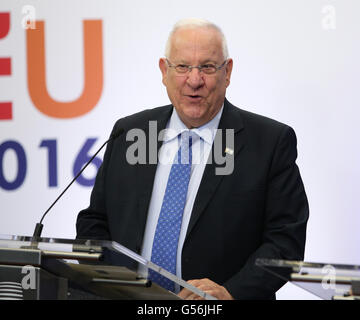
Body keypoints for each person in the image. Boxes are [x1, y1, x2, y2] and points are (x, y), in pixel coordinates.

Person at [76, 18, 309, 300]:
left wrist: (231, 293)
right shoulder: (131, 133)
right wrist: (116, 283)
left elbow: (285, 242)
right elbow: (95, 222)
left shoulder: (269, 142)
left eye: (208, 67)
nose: (194, 80)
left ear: (228, 72)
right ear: (164, 71)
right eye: (183, 67)